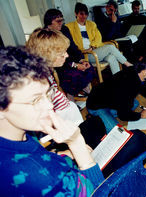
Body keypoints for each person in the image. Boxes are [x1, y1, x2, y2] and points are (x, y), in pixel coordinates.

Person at [25, 28, 146, 177]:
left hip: (63, 138)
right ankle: (102, 166)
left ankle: (101, 154)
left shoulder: (42, 74)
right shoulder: (34, 85)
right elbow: (41, 152)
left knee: (97, 124)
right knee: (137, 139)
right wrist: (69, 151)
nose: (66, 55)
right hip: (66, 152)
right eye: (61, 53)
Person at [0, 46, 104, 196]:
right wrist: (77, 145)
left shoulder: (18, 132)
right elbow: (99, 193)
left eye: (47, 93)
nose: (49, 105)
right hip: (78, 181)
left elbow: (37, 151)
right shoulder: (46, 179)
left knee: (94, 124)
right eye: (35, 100)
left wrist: (61, 153)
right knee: (136, 141)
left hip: (55, 163)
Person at [87, 55, 146, 132]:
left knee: (134, 103)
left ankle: (108, 116)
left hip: (111, 100)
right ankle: (98, 117)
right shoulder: (127, 86)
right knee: (117, 132)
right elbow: (123, 115)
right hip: (96, 106)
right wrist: (141, 115)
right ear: (144, 72)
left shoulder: (137, 72)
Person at [66, 2, 132, 74]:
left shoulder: (91, 24)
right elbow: (70, 44)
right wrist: (82, 51)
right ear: (76, 13)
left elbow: (98, 38)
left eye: (86, 14)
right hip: (84, 55)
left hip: (95, 51)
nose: (84, 16)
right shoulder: (69, 27)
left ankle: (118, 80)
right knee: (110, 47)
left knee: (111, 58)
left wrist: (92, 47)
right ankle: (129, 65)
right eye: (81, 14)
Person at [44, 8, 95, 100]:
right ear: (49, 21)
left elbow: (73, 47)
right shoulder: (45, 35)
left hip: (70, 60)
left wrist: (81, 60)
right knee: (75, 75)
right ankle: (74, 95)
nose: (61, 23)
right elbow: (53, 59)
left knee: (89, 67)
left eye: (62, 20)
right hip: (57, 65)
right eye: (58, 21)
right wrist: (75, 65)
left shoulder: (64, 29)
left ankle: (83, 93)